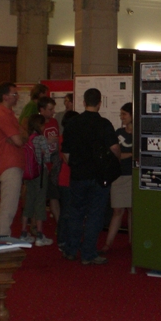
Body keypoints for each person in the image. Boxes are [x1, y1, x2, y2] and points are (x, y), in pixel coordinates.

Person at [61, 88, 119, 265]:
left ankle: (71, 250)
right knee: (95, 215)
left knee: (76, 213)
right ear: (100, 103)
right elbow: (114, 148)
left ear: (84, 102)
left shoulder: (73, 123)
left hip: (78, 175)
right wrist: (114, 163)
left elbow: (66, 153)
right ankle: (88, 254)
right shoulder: (104, 124)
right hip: (99, 177)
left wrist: (75, 165)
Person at [0, 82, 26, 236]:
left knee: (11, 205)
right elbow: (19, 140)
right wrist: (19, 137)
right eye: (14, 94)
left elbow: (23, 134)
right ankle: (3, 239)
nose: (17, 96)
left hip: (13, 163)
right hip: (8, 165)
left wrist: (19, 137)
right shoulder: (2, 115)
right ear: (5, 96)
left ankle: (3, 237)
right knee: (8, 206)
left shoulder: (9, 114)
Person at [101, 102, 133, 253]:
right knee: (117, 211)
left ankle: (133, 242)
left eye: (124, 114)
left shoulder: (139, 133)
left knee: (132, 210)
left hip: (133, 176)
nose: (121, 117)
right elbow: (115, 154)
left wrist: (126, 155)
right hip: (119, 175)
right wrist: (131, 154)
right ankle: (108, 244)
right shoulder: (119, 132)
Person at [20, 114, 53, 246]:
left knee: (29, 201)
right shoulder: (41, 139)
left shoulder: (28, 138)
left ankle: (23, 232)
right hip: (40, 173)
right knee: (40, 202)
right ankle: (39, 235)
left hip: (29, 173)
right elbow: (47, 158)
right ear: (39, 125)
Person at [38, 96, 61, 225]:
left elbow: (57, 140)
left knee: (54, 195)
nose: (53, 112)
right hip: (42, 163)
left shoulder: (54, 122)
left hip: (54, 162)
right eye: (50, 109)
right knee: (40, 196)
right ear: (42, 110)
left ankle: (59, 223)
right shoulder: (37, 123)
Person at [57, 110, 78, 251]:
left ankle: (69, 239)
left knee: (71, 212)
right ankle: (62, 240)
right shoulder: (64, 138)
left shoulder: (71, 138)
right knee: (66, 212)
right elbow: (67, 159)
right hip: (66, 178)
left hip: (72, 178)